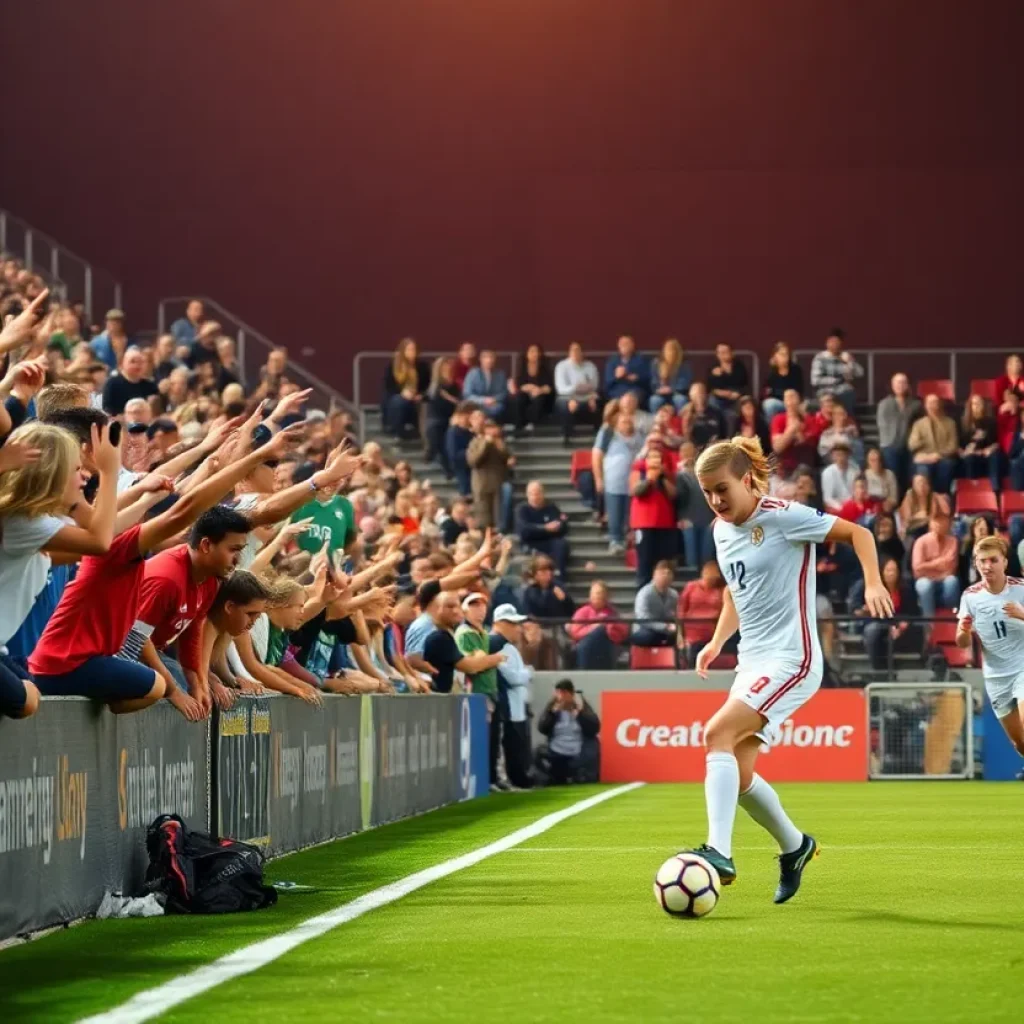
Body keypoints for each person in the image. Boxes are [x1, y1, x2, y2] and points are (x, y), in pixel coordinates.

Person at [679, 435, 892, 900]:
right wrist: (717, 641)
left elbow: (860, 533)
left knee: (715, 734)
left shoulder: (783, 516)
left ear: (748, 480)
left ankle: (718, 851)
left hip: (793, 658)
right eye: (707, 492)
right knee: (739, 772)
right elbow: (734, 591)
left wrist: (873, 582)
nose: (715, 501)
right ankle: (796, 847)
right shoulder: (720, 531)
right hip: (752, 660)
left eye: (722, 489)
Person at [29, 424, 300, 713]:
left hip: (75, 661)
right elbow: (185, 510)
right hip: (64, 663)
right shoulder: (125, 551)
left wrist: (198, 680)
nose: (185, 534)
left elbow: (170, 506)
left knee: (159, 686)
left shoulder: (121, 546)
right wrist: (261, 455)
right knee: (159, 686)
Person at [119, 506, 252, 718]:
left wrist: (198, 681)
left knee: (196, 689)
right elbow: (136, 637)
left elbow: (192, 632)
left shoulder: (209, 579)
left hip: (153, 653)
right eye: (233, 550)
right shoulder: (166, 579)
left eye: (241, 551)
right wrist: (174, 691)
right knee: (177, 687)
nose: (238, 560)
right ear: (206, 545)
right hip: (123, 650)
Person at [956, 536, 1024, 758]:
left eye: (993, 560)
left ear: (1004, 562)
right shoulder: (970, 597)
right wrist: (964, 631)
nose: (987, 566)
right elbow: (962, 642)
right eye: (981, 561)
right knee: (1020, 743)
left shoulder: (1021, 589)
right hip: (996, 677)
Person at [421, 590, 505, 694]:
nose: (455, 611)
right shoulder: (439, 637)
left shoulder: (448, 635)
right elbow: (469, 666)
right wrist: (495, 659)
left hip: (449, 698)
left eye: (457, 606)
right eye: (449, 607)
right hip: (438, 700)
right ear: (436, 609)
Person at [489, 603, 534, 790]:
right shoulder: (496, 644)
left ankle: (516, 778)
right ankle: (507, 778)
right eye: (513, 624)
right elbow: (512, 677)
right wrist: (528, 673)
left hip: (515, 705)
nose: (518, 628)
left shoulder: (507, 646)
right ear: (500, 623)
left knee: (517, 745)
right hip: (507, 704)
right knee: (509, 744)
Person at [593, 408, 644, 554]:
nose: (627, 424)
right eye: (623, 421)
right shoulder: (608, 435)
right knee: (615, 515)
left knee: (631, 517)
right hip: (613, 483)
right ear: (616, 423)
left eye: (629, 421)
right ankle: (615, 540)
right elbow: (596, 456)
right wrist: (598, 479)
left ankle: (631, 542)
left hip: (634, 485)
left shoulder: (640, 436)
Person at [858, 558, 921, 671]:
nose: (891, 573)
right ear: (882, 572)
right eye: (888, 570)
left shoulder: (906, 589)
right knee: (872, 630)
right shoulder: (873, 589)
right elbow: (864, 612)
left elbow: (913, 612)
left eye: (894, 570)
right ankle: (878, 670)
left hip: (900, 625)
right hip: (878, 623)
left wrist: (902, 624)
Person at [630, 446, 678, 586]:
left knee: (663, 563)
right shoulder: (638, 471)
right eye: (652, 457)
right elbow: (636, 491)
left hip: (664, 523)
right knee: (644, 562)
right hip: (643, 523)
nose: (655, 460)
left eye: (658, 457)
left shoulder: (667, 475)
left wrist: (662, 479)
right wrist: (650, 479)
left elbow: (673, 494)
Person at [537, 680, 601, 784]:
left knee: (595, 746)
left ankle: (584, 776)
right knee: (538, 752)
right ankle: (549, 778)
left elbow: (594, 728)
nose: (561, 698)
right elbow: (542, 728)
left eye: (564, 694)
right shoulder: (553, 707)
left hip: (578, 751)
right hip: (557, 750)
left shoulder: (582, 707)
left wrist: (578, 713)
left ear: (571, 694)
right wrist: (552, 713)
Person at [567, 581, 628, 670]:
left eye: (601, 593)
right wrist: (593, 628)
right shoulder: (583, 611)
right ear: (590, 595)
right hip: (586, 648)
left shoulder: (612, 613)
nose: (598, 596)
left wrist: (607, 628)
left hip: (606, 647)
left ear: (606, 596)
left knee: (602, 632)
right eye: (595, 593)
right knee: (598, 632)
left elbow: (622, 633)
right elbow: (575, 633)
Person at [516, 480, 570, 577]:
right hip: (531, 544)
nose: (535, 497)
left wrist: (560, 524)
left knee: (561, 544)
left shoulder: (551, 508)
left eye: (538, 493)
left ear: (543, 493)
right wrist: (545, 528)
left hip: (549, 543)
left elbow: (561, 527)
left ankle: (559, 576)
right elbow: (524, 531)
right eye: (532, 494)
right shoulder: (522, 510)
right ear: (527, 495)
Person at [467, 419, 513, 530]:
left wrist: (507, 455)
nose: (493, 431)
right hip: (482, 486)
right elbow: (473, 461)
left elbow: (506, 458)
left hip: (498, 484)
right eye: (489, 428)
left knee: (498, 519)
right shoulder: (476, 442)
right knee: (484, 520)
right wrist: (486, 444)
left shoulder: (500, 443)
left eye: (494, 427)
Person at [677, 560, 727, 665]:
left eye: (714, 577)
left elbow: (725, 612)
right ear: (703, 573)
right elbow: (681, 611)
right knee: (693, 657)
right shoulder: (691, 587)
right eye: (709, 576)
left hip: (713, 634)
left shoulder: (721, 590)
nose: (711, 580)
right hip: (692, 634)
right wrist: (680, 635)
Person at [911, 514, 961, 618]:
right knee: (924, 585)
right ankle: (929, 624)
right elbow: (917, 569)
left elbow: (951, 569)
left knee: (952, 581)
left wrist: (928, 566)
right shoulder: (921, 541)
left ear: (949, 523)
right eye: (937, 521)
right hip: (924, 579)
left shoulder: (953, 541)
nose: (940, 524)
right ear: (930, 523)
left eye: (943, 521)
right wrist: (938, 563)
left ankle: (949, 622)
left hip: (944, 580)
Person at [907, 393, 959, 494]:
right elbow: (912, 444)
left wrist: (938, 455)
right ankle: (924, 499)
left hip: (943, 457)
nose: (932, 405)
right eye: (929, 403)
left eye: (935, 402)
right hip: (924, 457)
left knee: (946, 466)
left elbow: (953, 446)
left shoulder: (950, 423)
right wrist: (926, 455)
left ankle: (942, 497)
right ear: (925, 405)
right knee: (922, 469)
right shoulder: (918, 424)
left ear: (939, 404)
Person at [455, 591, 498, 703]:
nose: (480, 610)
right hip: (474, 693)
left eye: (483, 606)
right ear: (464, 610)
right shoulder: (465, 633)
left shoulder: (483, 633)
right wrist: (495, 660)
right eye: (474, 606)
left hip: (488, 691)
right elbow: (471, 665)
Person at [381, 337, 429, 439]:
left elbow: (427, 386)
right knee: (399, 401)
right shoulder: (393, 366)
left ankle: (418, 433)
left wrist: (420, 395)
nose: (412, 352)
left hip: (416, 397)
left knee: (425, 403)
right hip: (398, 396)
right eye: (409, 349)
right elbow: (389, 386)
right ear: (403, 351)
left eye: (414, 349)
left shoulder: (422, 367)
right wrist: (403, 393)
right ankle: (398, 432)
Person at [554, 341, 601, 444]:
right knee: (564, 405)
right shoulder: (561, 366)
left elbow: (594, 385)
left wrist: (591, 396)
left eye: (578, 350)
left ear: (582, 353)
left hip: (587, 396)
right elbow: (561, 388)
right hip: (566, 397)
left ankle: (598, 437)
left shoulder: (590, 366)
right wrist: (575, 389)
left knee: (599, 402)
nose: (576, 353)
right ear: (569, 352)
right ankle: (567, 437)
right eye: (573, 350)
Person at [770, 389, 821, 476]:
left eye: (793, 397)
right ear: (784, 402)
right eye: (787, 398)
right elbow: (777, 448)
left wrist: (793, 434)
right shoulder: (779, 419)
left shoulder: (809, 420)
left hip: (804, 468)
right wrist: (793, 429)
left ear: (799, 400)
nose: (790, 401)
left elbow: (809, 443)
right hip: (783, 468)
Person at [810, 329, 862, 413]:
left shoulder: (844, 356)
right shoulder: (820, 358)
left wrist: (850, 362)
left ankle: (848, 421)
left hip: (843, 390)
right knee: (829, 398)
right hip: (825, 390)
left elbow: (860, 373)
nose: (835, 344)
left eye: (837, 342)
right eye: (832, 341)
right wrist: (836, 380)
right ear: (827, 343)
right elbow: (815, 381)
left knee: (849, 393)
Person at [425, 356, 460, 476]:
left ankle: (434, 453)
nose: (448, 369)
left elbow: (458, 403)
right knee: (436, 430)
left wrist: (449, 398)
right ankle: (434, 454)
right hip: (437, 419)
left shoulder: (454, 386)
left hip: (449, 418)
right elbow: (434, 403)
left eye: (449, 367)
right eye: (444, 367)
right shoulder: (435, 386)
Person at [632, 559, 679, 648]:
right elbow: (642, 618)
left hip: (667, 629)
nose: (665, 576)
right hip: (645, 628)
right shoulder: (644, 593)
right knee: (648, 636)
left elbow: (676, 614)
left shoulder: (674, 595)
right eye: (662, 573)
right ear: (654, 575)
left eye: (668, 573)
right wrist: (664, 627)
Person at [959, 394, 1001, 491]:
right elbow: (958, 444)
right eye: (974, 404)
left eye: (979, 404)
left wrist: (989, 449)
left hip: (985, 453)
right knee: (970, 459)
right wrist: (963, 452)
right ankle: (971, 487)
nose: (977, 406)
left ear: (983, 406)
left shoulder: (991, 422)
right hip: (969, 454)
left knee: (995, 456)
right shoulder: (962, 422)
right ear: (970, 406)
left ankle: (995, 488)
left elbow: (996, 442)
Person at [101, 345, 159, 416]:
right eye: (133, 361)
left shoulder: (150, 386)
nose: (137, 365)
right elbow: (107, 411)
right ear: (122, 364)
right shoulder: (112, 383)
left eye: (141, 362)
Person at [510, 343, 554, 432]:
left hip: (541, 394)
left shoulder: (544, 367)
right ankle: (519, 426)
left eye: (537, 351)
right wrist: (530, 388)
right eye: (532, 351)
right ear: (527, 354)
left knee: (539, 399)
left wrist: (539, 390)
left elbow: (549, 386)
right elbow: (519, 384)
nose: (535, 354)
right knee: (519, 398)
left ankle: (531, 423)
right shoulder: (522, 366)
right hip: (526, 392)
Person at [898, 473, 950, 545]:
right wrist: (920, 516)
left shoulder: (934, 497)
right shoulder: (909, 495)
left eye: (924, 483)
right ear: (913, 485)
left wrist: (941, 499)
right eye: (918, 483)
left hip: (931, 529)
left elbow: (946, 513)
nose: (922, 486)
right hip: (913, 530)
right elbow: (906, 519)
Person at [522, 555, 575, 620]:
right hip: (537, 625)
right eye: (543, 571)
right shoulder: (530, 590)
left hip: (557, 625)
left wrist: (565, 600)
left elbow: (571, 611)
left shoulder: (559, 587)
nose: (548, 573)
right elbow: (526, 611)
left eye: (550, 570)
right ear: (535, 574)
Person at [462, 349, 508, 422]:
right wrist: (484, 400)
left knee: (499, 408)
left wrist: (494, 400)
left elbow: (504, 393)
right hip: (477, 404)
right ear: (480, 359)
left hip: (495, 405)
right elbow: (467, 394)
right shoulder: (473, 373)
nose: (489, 360)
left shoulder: (500, 374)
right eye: (486, 357)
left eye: (491, 357)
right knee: (476, 411)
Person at [761, 341, 804, 420]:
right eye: (781, 354)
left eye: (786, 354)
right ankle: (773, 430)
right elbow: (768, 392)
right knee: (769, 404)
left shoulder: (796, 370)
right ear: (775, 356)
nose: (785, 357)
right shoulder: (771, 372)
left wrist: (780, 393)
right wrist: (783, 393)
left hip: (794, 402)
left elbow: (798, 390)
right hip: (779, 403)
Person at [648, 338, 692, 413]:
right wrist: (658, 389)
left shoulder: (684, 365)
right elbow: (653, 381)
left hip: (677, 393)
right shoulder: (656, 364)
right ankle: (656, 422)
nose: (670, 352)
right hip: (660, 394)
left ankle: (679, 422)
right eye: (667, 350)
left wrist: (671, 389)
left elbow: (685, 382)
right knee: (654, 400)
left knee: (681, 400)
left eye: (673, 350)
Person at [603, 335, 648, 404]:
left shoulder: (641, 359)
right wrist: (616, 377)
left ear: (633, 345)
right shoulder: (612, 361)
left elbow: (647, 378)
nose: (624, 345)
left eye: (627, 343)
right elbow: (607, 382)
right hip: (617, 390)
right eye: (621, 344)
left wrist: (636, 378)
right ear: (618, 346)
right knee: (617, 399)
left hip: (635, 389)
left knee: (632, 397)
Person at [706, 342, 749, 413]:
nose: (723, 355)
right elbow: (709, 387)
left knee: (744, 402)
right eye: (720, 353)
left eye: (725, 352)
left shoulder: (739, 367)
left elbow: (744, 384)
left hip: (735, 395)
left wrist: (737, 393)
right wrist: (716, 377)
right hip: (718, 397)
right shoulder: (713, 368)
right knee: (712, 401)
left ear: (732, 353)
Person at [445, 402, 475, 496]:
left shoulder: (472, 432)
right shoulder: (454, 432)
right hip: (461, 468)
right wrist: (471, 452)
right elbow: (453, 454)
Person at [820, 440, 859, 513]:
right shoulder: (827, 472)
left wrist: (851, 506)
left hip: (853, 505)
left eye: (843, 454)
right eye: (837, 455)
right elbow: (827, 498)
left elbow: (857, 493)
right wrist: (841, 508)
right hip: (836, 508)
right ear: (833, 457)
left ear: (848, 455)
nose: (840, 458)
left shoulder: (856, 470)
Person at [959, 514, 994, 590]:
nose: (981, 530)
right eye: (978, 527)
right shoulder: (966, 549)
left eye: (984, 527)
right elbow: (963, 575)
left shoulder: (995, 549)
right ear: (973, 530)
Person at [863, 447, 899, 513]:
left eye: (878, 460)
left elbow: (894, 497)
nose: (876, 463)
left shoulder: (889, 474)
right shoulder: (864, 475)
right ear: (868, 462)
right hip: (870, 505)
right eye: (872, 460)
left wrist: (890, 503)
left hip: (885, 504)